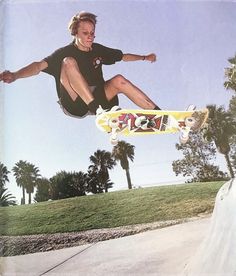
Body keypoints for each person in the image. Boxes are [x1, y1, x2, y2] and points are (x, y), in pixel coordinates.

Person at [0, 11, 161, 118]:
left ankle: (159, 114)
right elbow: (37, 67)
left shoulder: (98, 49)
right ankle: (98, 110)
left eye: (92, 33)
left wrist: (145, 57)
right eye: (85, 33)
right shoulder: (63, 52)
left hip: (98, 97)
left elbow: (123, 56)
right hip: (75, 102)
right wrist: (15, 75)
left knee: (119, 79)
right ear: (75, 33)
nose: (90, 37)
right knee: (68, 62)